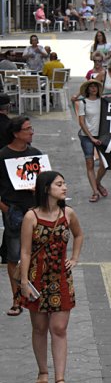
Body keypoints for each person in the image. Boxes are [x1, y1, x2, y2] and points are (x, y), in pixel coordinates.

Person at [17, 171, 83, 383]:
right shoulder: (31, 217)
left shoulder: (68, 213)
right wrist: (24, 281)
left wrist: (74, 258)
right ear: (47, 188)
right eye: (59, 184)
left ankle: (60, 379)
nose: (64, 188)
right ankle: (43, 372)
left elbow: (79, 235)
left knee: (59, 328)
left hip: (61, 279)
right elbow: (25, 251)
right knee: (39, 328)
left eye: (64, 184)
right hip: (36, 278)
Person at [1, 118, 41, 316]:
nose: (32, 132)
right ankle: (16, 299)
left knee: (35, 254)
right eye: (27, 129)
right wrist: (6, 209)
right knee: (14, 256)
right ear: (16, 133)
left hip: (34, 210)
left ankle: (33, 294)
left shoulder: (35, 154)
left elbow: (45, 180)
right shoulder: (3, 156)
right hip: (14, 211)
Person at [76, 79, 108, 203]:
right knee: (89, 164)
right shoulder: (83, 102)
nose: (93, 89)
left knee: (105, 164)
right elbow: (81, 122)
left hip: (101, 135)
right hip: (86, 136)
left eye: (95, 87)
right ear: (87, 89)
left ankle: (97, 182)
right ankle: (95, 191)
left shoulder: (103, 101)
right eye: (91, 87)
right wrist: (91, 138)